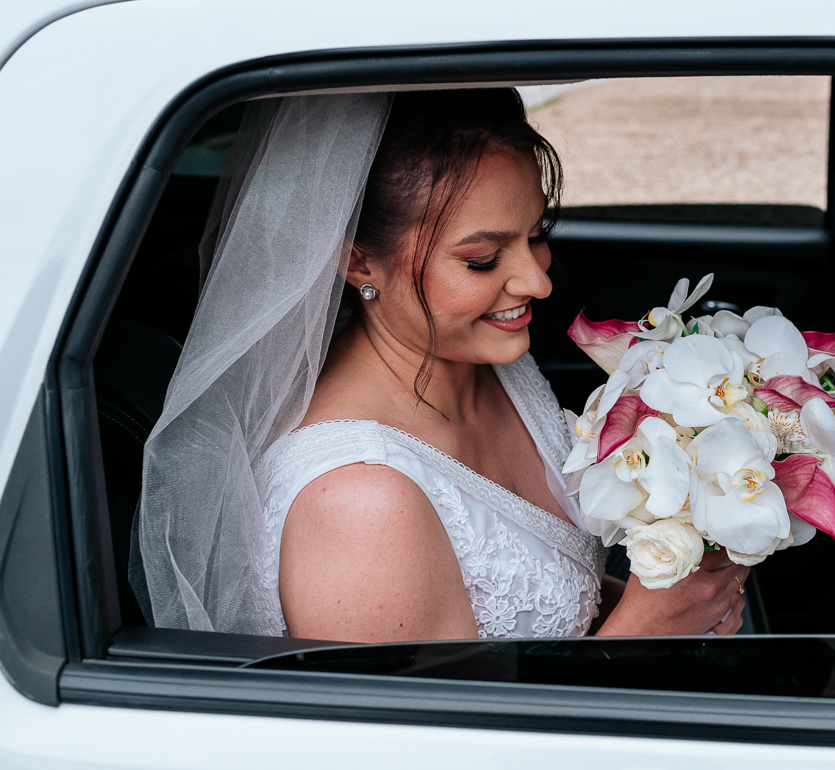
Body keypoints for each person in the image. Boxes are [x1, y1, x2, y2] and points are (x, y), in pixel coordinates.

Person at [137, 89, 745, 641]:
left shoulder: (497, 369)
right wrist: (636, 638)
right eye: (482, 260)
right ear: (357, 263)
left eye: (538, 233)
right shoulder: (358, 503)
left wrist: (665, 603)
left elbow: (541, 604)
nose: (536, 280)